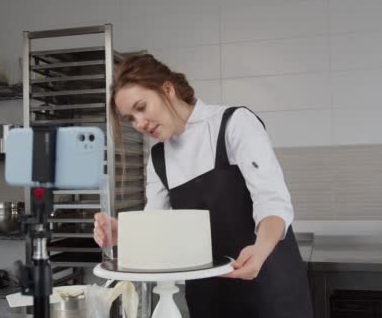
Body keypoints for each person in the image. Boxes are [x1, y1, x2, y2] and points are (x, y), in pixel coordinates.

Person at [93, 54, 312, 318]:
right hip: (209, 295)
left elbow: (273, 202)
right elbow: (158, 225)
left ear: (167, 89)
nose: (139, 123)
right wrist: (125, 233)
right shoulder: (159, 157)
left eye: (141, 107)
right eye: (130, 118)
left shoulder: (233, 124)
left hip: (268, 285)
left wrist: (261, 248)